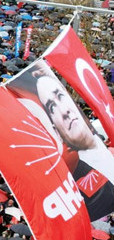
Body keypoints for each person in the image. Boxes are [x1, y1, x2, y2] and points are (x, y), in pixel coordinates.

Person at [32, 67, 114, 221]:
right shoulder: (66, 181)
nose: (64, 111)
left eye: (60, 96)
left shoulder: (107, 156)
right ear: (56, 130)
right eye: (52, 107)